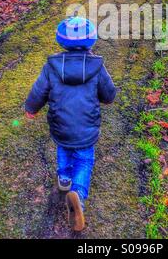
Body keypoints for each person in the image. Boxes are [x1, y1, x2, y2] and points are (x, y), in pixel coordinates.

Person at [24, 16, 117, 231]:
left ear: (61, 41)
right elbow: (109, 94)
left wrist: (31, 109)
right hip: (86, 128)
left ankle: (64, 179)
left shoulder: (52, 66)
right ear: (91, 40)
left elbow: (39, 91)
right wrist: (106, 99)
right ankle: (78, 195)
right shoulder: (97, 67)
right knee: (84, 160)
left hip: (61, 125)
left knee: (64, 149)